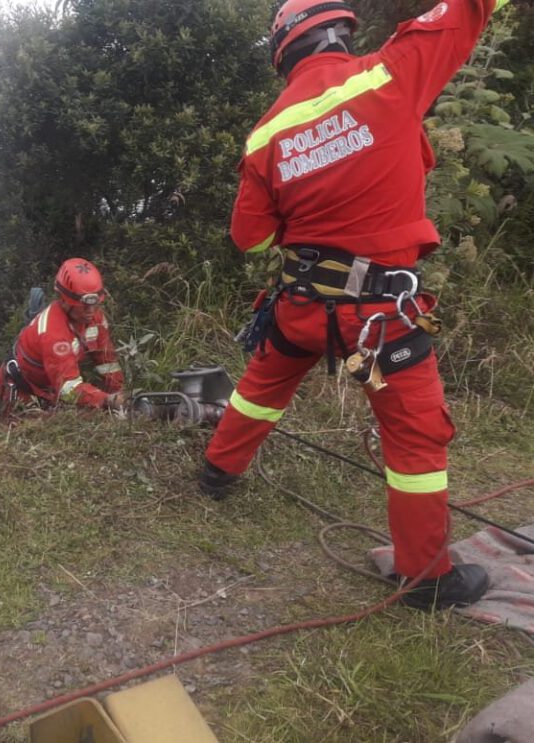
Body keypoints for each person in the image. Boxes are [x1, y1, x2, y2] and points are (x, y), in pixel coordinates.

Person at [200, 0, 522, 610]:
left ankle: (218, 471)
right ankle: (427, 578)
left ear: (284, 52)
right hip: (374, 322)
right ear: (340, 34)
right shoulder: (388, 76)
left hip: (302, 311)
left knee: (262, 386)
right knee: (416, 436)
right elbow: (466, 10)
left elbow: (252, 238)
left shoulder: (266, 132)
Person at [0, 258, 126, 416]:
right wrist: (106, 400)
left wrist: (119, 392)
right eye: (84, 306)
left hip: (50, 387)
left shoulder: (96, 319)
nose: (91, 311)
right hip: (23, 387)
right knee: (27, 433)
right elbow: (68, 388)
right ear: (65, 301)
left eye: (95, 304)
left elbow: (106, 361)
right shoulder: (53, 332)